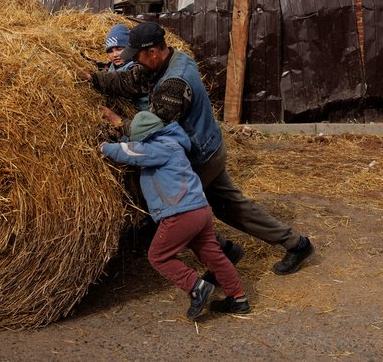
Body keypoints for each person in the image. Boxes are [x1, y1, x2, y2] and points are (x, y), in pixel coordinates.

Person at [86, 21, 314, 276]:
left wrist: (118, 122)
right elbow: (130, 81)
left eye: (137, 56)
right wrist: (93, 79)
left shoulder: (175, 82)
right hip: (210, 147)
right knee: (232, 207)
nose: (134, 62)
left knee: (177, 214)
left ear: (152, 52)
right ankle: (296, 243)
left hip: (200, 156)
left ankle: (221, 257)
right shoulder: (171, 59)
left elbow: (154, 130)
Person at [99, 111, 250, 319]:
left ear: (147, 137)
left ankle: (196, 286)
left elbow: (131, 152)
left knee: (158, 256)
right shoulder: (171, 143)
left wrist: (103, 147)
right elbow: (138, 150)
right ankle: (238, 297)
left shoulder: (160, 148)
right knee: (213, 255)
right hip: (200, 210)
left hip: (181, 213)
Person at [102, 24, 148, 109]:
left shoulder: (135, 67)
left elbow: (123, 81)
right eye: (110, 51)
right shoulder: (113, 65)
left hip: (141, 113)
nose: (115, 55)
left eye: (119, 49)